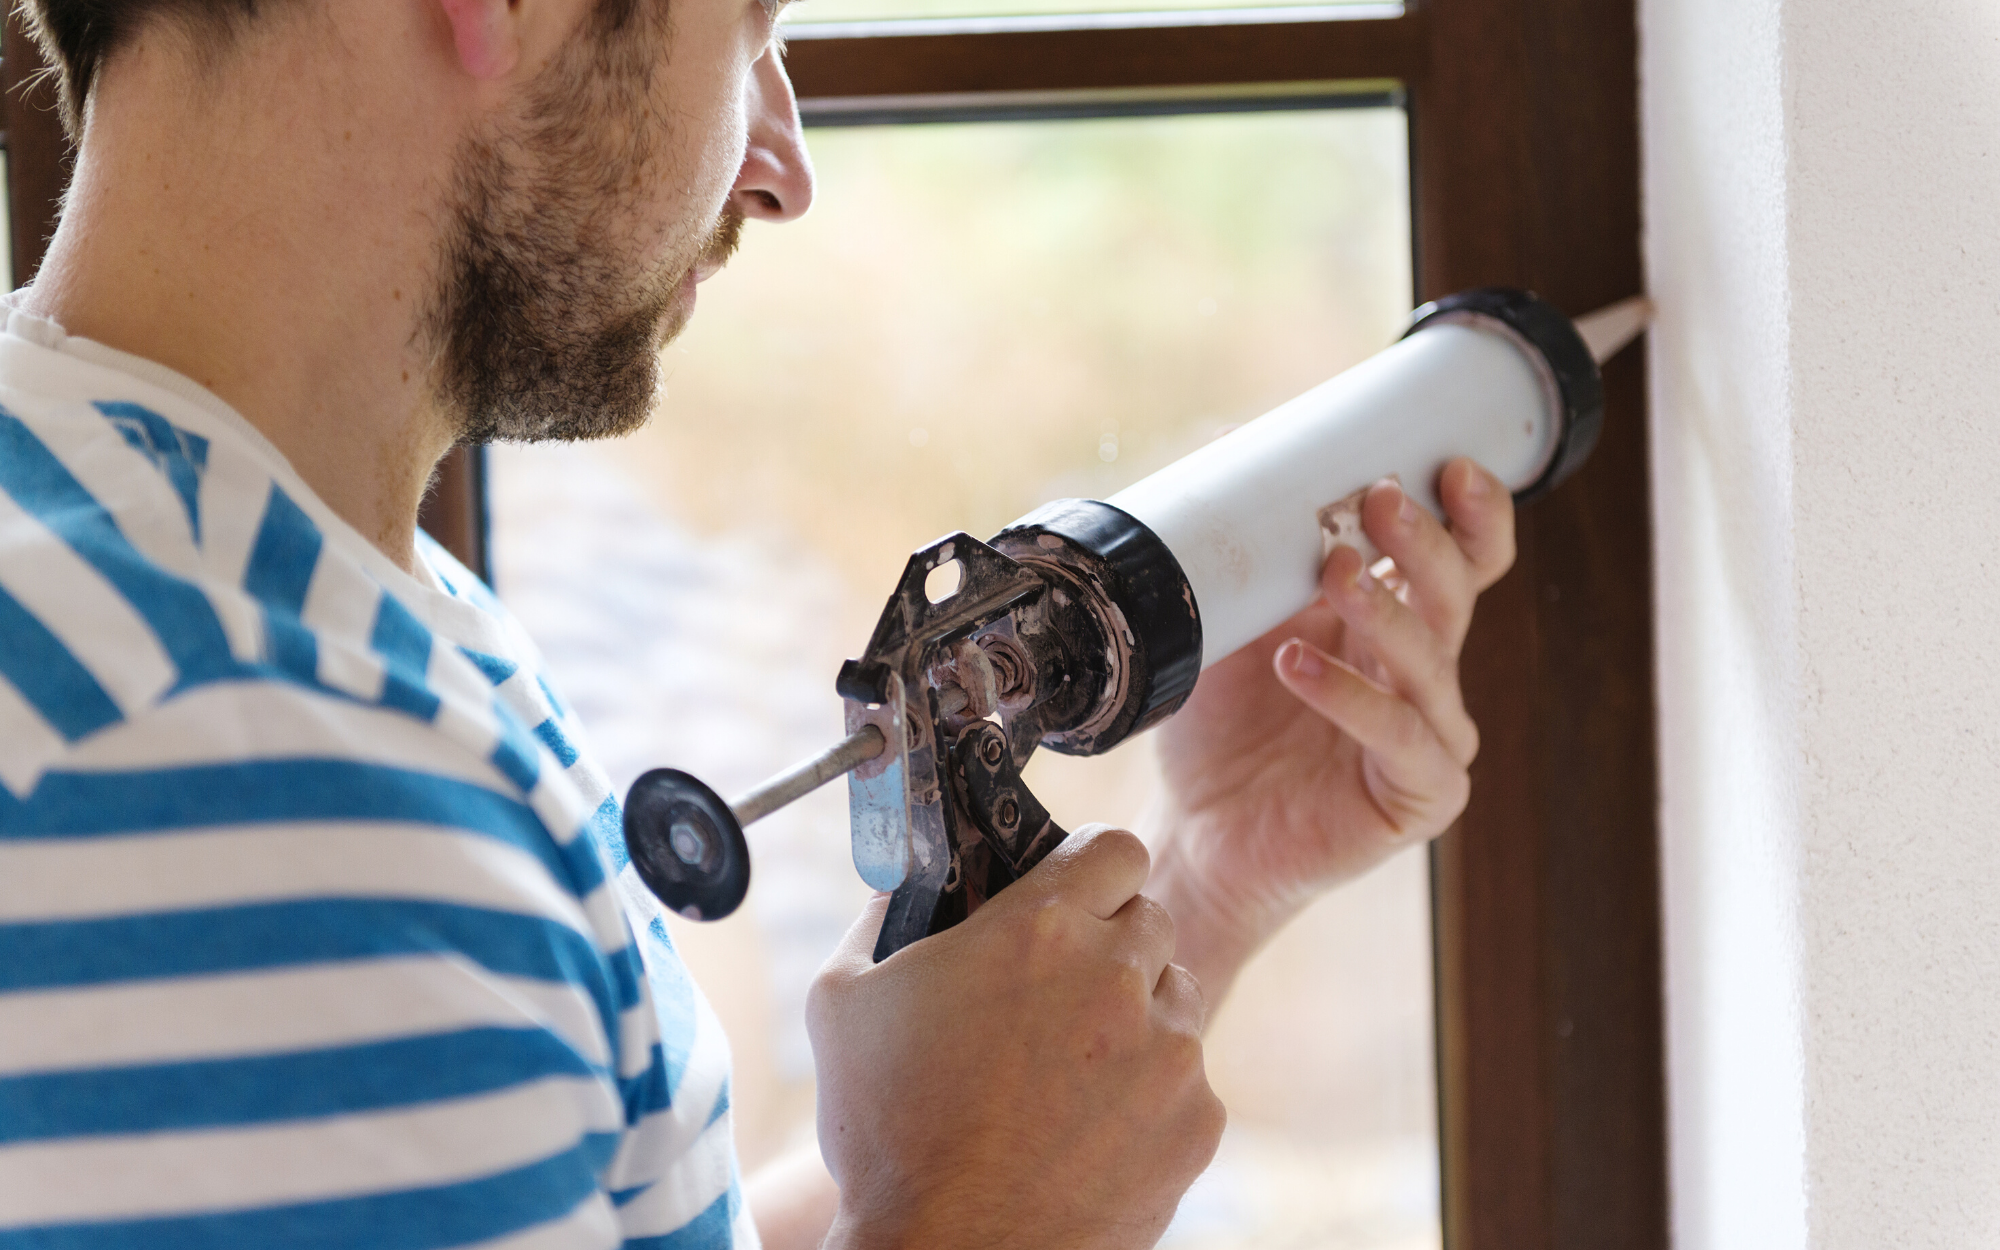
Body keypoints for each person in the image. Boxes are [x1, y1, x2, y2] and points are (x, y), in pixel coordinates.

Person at [0, 1, 1518, 1247]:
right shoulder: (233, 773)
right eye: (749, 25)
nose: (783, 167)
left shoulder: (263, 587)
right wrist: (979, 1218)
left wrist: (1199, 887)